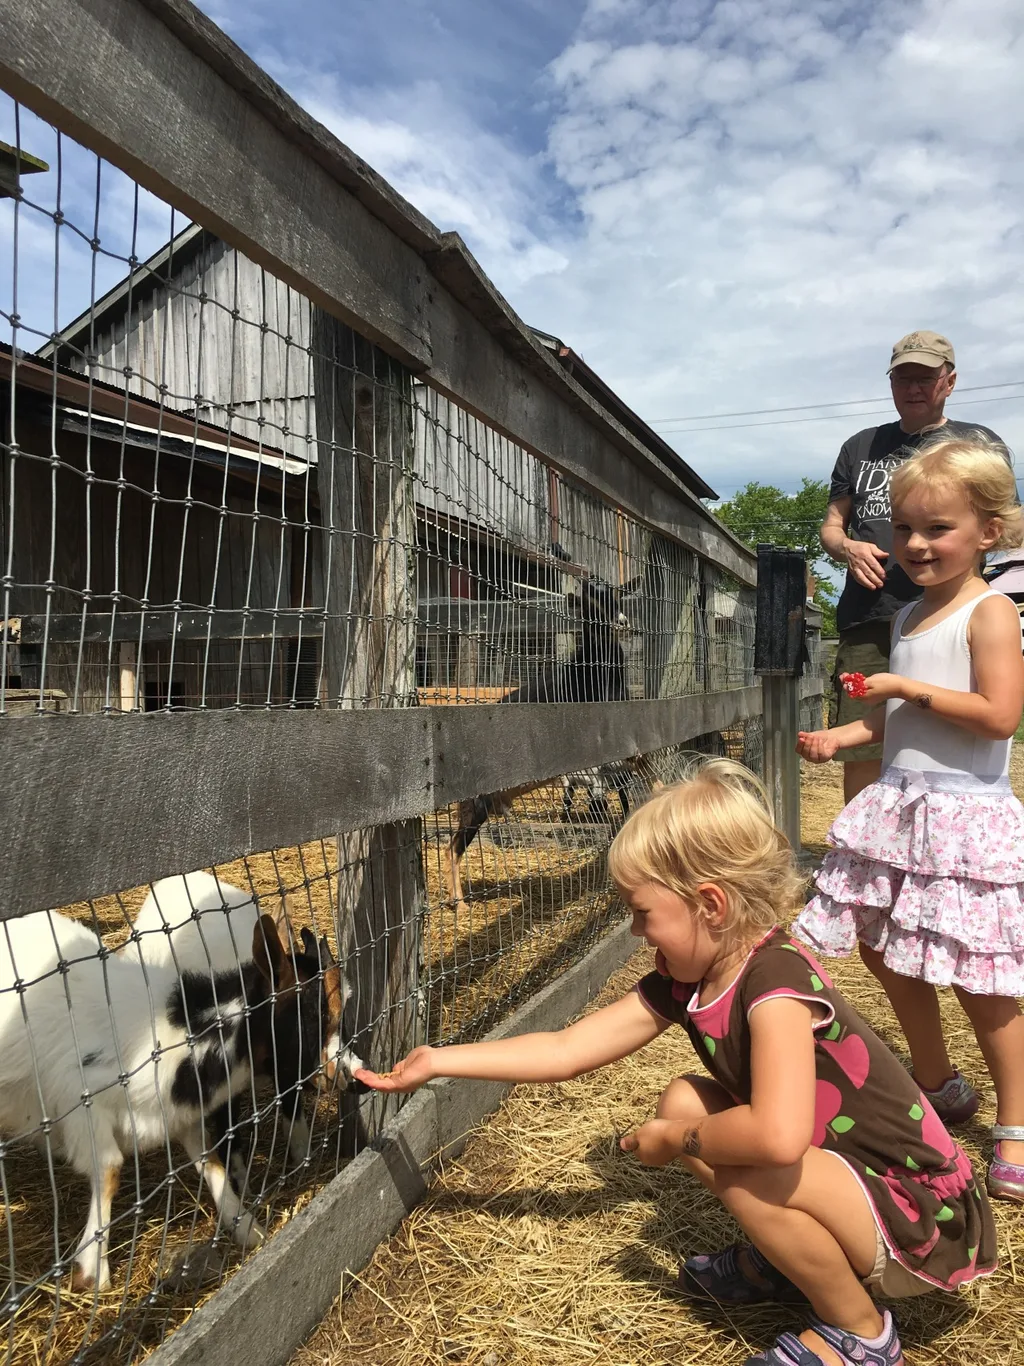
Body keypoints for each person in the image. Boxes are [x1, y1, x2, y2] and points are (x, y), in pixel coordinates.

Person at [357, 758, 996, 1366]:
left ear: (710, 905)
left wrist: (676, 1140)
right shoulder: (688, 979)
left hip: (921, 1213)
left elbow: (778, 1138)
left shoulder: (774, 983)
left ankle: (862, 1336)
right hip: (854, 1183)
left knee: (735, 1158)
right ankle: (796, 1261)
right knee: (686, 1099)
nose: (637, 934)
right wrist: (438, 1060)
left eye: (643, 914)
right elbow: (567, 1049)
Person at [796, 437, 1024, 1202]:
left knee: (981, 981)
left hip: (964, 817)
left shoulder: (990, 614)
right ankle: (937, 1080)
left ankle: (1016, 1124)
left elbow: (999, 715)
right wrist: (844, 736)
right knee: (883, 947)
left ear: (988, 531)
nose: (917, 545)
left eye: (937, 528)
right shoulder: (907, 619)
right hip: (901, 809)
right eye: (903, 529)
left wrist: (903, 688)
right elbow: (897, 721)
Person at [820, 331, 1006, 807]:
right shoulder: (860, 445)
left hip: (951, 614)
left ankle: (941, 827)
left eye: (925, 377)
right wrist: (848, 548)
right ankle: (866, 841)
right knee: (865, 744)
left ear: (950, 382)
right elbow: (832, 526)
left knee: (947, 729)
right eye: (903, 378)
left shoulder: (979, 444)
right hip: (871, 613)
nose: (913, 387)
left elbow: (1004, 525)